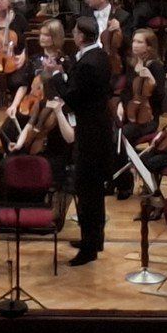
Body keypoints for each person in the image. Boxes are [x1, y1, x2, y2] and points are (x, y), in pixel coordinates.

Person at [55, 17, 115, 266]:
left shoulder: (89, 63)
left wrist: (58, 77)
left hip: (90, 134)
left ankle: (89, 248)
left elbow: (73, 97)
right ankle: (93, 239)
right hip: (97, 129)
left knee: (87, 190)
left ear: (80, 36)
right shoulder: (99, 56)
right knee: (93, 191)